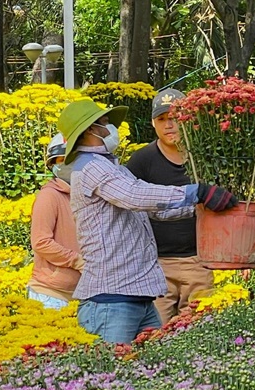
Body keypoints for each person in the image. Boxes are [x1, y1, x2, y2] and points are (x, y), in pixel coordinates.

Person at [59, 99, 237, 343]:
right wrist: (195, 192)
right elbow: (134, 196)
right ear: (90, 130)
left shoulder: (113, 168)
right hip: (112, 300)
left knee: (149, 372)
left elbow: (152, 211)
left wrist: (201, 209)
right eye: (105, 122)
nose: (111, 127)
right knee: (111, 375)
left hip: (136, 298)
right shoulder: (92, 168)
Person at [125, 89, 213, 324]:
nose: (169, 125)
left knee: (199, 330)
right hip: (156, 265)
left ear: (188, 119)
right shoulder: (141, 160)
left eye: (174, 117)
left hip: (199, 261)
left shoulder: (205, 157)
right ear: (153, 124)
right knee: (156, 334)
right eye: (162, 119)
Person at [26, 134, 84, 309]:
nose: (66, 164)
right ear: (52, 164)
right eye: (61, 160)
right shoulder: (49, 195)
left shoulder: (85, 194)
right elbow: (41, 242)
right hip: (51, 295)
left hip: (81, 295)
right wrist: (76, 260)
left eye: (72, 158)